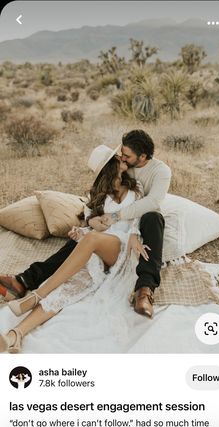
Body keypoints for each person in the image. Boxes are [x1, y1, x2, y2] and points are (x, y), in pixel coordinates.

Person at [0, 129, 171, 318]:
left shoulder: (160, 171)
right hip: (109, 229)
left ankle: (145, 291)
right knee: (80, 241)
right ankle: (24, 280)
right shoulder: (123, 167)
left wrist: (119, 220)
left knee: (154, 217)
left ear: (143, 156)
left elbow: (152, 201)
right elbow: (100, 194)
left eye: (126, 156)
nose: (122, 158)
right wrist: (89, 222)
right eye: (120, 154)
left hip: (141, 220)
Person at [0, 145, 150, 353]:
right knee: (65, 289)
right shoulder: (97, 198)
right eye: (117, 157)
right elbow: (90, 226)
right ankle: (16, 334)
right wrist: (80, 233)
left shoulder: (137, 188)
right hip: (99, 250)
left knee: (90, 240)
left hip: (123, 246)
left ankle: (35, 295)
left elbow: (141, 216)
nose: (122, 158)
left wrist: (132, 234)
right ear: (109, 165)